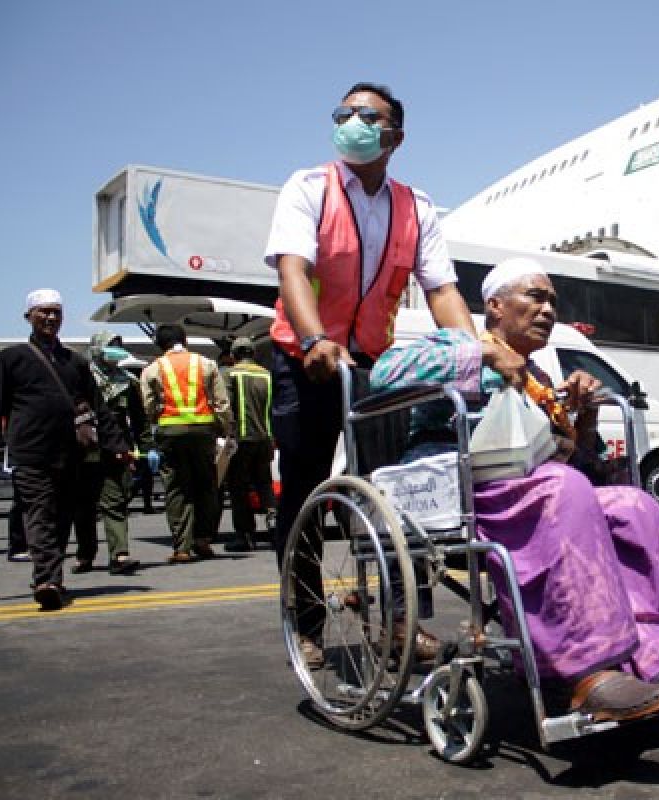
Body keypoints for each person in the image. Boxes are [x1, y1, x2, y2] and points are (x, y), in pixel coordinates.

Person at [369, 257, 659, 722]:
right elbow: (383, 374)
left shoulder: (539, 378)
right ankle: (588, 672)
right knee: (562, 488)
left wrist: (583, 416)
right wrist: (481, 355)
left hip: (533, 485)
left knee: (633, 506)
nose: (548, 309)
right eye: (535, 296)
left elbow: (571, 459)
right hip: (463, 488)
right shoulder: (462, 342)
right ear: (494, 306)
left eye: (552, 300)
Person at [264, 81, 480, 666]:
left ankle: (401, 622)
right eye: (344, 112)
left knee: (401, 494)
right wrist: (314, 340)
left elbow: (443, 291)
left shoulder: (417, 207)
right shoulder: (309, 188)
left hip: (372, 367)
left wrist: (472, 351)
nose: (352, 121)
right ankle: (307, 623)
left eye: (367, 114)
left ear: (395, 136)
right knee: (306, 496)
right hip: (305, 360)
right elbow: (293, 269)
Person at [0, 290, 128, 610]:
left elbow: (98, 407)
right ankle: (47, 579)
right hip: (31, 453)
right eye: (43, 312)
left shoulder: (75, 362)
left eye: (56, 312)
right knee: (39, 513)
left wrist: (119, 446)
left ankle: (50, 573)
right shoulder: (11, 359)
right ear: (28, 316)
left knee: (61, 517)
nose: (51, 318)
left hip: (70, 454)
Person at [140, 324, 232, 563]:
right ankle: (203, 539)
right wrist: (225, 429)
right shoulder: (206, 363)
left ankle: (182, 547)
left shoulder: (152, 369)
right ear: (185, 340)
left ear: (160, 345)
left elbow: (149, 407)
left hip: (170, 433)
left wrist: (157, 422)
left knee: (177, 489)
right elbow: (221, 402)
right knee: (206, 485)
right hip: (203, 433)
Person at [71, 333, 146, 575]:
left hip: (115, 449)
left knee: (115, 502)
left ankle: (119, 554)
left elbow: (139, 420)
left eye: (118, 347)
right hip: (84, 450)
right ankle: (85, 555)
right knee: (83, 505)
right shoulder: (79, 379)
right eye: (110, 347)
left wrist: (145, 448)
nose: (116, 351)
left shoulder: (128, 383)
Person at [221, 337, 276, 552]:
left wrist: (226, 434)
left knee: (239, 488)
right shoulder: (266, 374)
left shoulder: (231, 374)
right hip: (265, 439)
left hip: (242, 440)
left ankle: (244, 535)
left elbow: (226, 408)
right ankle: (274, 527)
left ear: (234, 355)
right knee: (264, 484)